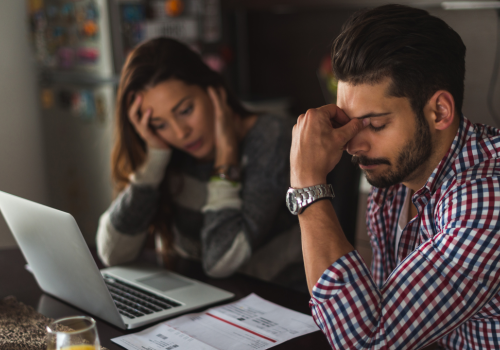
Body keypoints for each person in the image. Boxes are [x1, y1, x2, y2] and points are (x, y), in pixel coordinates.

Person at [288, 4, 500, 349]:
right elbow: (380, 312)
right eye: (348, 123)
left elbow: (370, 340)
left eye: (375, 124)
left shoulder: (486, 196)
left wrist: (307, 186)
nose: (354, 145)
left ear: (439, 111)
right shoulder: (393, 179)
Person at [97, 37, 302, 286]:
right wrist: (153, 162)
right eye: (160, 124)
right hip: (203, 299)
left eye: (185, 111)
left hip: (276, 302)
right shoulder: (169, 151)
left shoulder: (271, 137)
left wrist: (226, 156)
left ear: (212, 89)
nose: (180, 133)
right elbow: (112, 253)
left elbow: (220, 261)